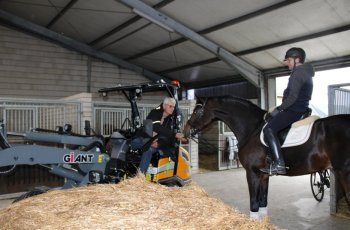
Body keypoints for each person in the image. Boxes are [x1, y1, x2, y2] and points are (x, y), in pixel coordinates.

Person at [260, 47, 314, 175]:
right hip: (300, 108)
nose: (287, 63)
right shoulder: (305, 72)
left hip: (294, 109)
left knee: (269, 129)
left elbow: (292, 97)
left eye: (289, 60)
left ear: (297, 60)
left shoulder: (298, 73)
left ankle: (279, 164)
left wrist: (279, 109)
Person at [138, 97, 187, 174]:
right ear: (164, 105)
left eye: (173, 107)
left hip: (163, 145)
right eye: (170, 106)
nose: (172, 108)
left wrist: (159, 144)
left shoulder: (172, 120)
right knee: (134, 143)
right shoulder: (154, 113)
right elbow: (154, 127)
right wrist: (149, 141)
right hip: (147, 141)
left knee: (148, 150)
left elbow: (169, 138)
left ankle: (140, 175)